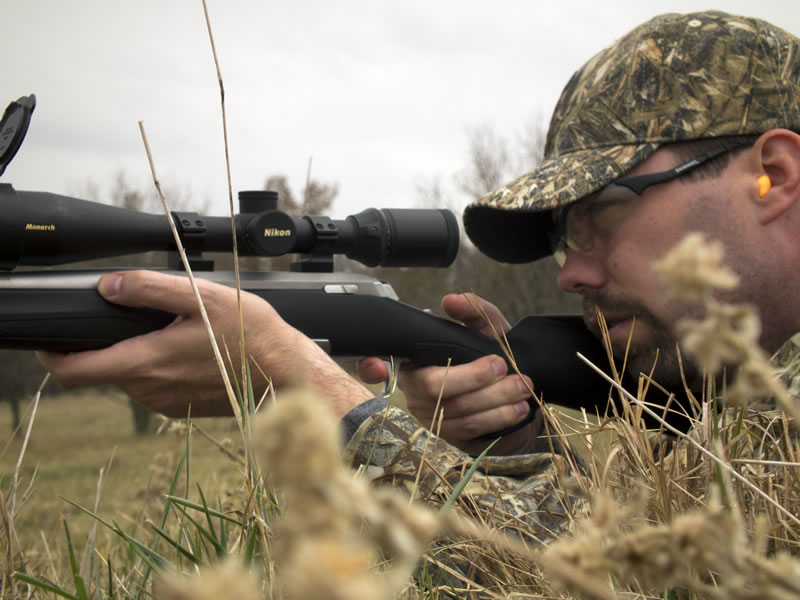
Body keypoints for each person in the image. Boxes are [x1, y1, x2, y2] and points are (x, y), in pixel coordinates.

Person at [38, 10, 800, 543]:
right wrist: (514, 441)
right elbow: (638, 544)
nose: (572, 273)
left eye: (600, 213)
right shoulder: (738, 413)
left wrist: (318, 391)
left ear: (773, 175)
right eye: (564, 235)